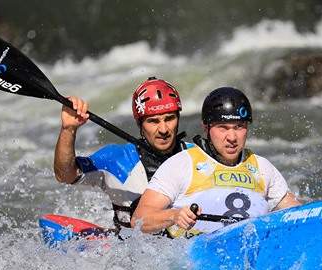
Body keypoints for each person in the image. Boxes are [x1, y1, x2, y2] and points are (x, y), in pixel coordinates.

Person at [131, 87, 301, 238]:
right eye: (223, 128)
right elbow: (139, 219)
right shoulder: (182, 164)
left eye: (239, 127)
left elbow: (298, 216)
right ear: (205, 127)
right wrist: (174, 216)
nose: (232, 137)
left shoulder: (262, 167)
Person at [54, 77, 192, 230]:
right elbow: (65, 175)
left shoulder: (197, 156)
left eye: (170, 118)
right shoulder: (117, 159)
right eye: (153, 121)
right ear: (139, 123)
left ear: (178, 118)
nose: (163, 129)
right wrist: (68, 130)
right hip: (131, 249)